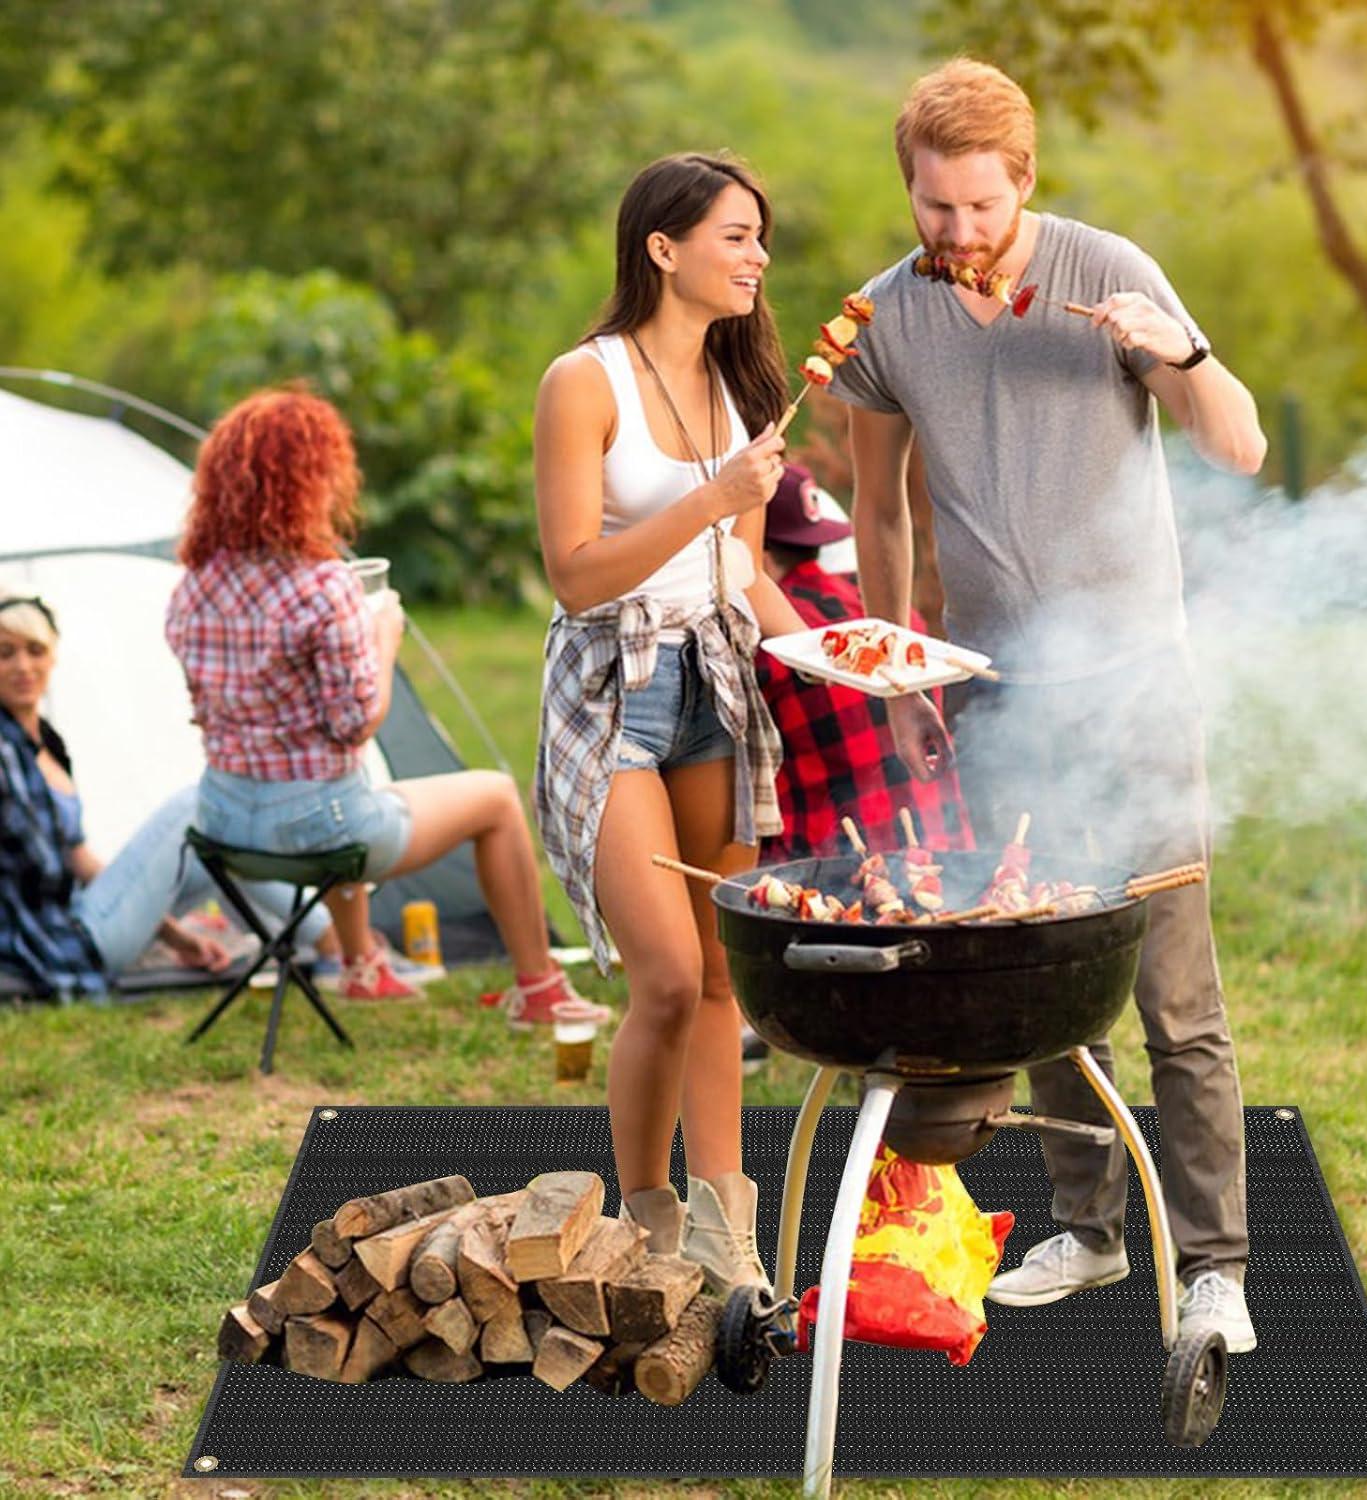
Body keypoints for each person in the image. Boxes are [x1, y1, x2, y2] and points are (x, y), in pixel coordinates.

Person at [829, 59, 1267, 1353]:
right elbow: (877, 509)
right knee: (1038, 984)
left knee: (1175, 999)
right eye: (932, 207)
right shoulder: (889, 318)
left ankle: (1218, 1270)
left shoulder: (1104, 270)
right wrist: (903, 668)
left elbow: (1236, 442)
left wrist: (1175, 351)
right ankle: (1088, 1231)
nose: (956, 235)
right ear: (908, 188)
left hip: (1136, 692)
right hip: (993, 699)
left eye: (977, 206)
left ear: (1023, 180)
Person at [532, 152, 805, 1294]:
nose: (757, 258)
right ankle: (644, 1219)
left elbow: (741, 567)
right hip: (615, 690)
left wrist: (841, 668)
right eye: (735, 236)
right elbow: (577, 573)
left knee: (721, 980)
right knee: (661, 974)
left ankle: (725, 1231)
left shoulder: (734, 384)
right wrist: (709, 498)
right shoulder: (581, 381)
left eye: (759, 237)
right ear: (663, 247)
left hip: (718, 686)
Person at [165, 389, 601, 1023]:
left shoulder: (194, 586)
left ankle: (361, 965)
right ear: (313, 481)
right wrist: (383, 634)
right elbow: (356, 722)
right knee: (497, 798)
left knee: (335, 780)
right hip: (319, 831)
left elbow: (211, 710)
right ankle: (540, 989)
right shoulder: (322, 587)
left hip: (226, 822)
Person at [0, 589, 334, 997]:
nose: (23, 666)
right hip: (60, 939)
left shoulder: (46, 744)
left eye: (35, 651)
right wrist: (175, 935)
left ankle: (325, 941)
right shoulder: (4, 752)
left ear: (53, 656)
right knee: (197, 806)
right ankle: (341, 946)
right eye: (5, 653)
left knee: (216, 852)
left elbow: (77, 856)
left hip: (81, 916)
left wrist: (177, 937)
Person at [755, 461, 974, 862]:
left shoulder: (765, 642)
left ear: (758, 553)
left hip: (834, 867)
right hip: (945, 853)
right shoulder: (895, 614)